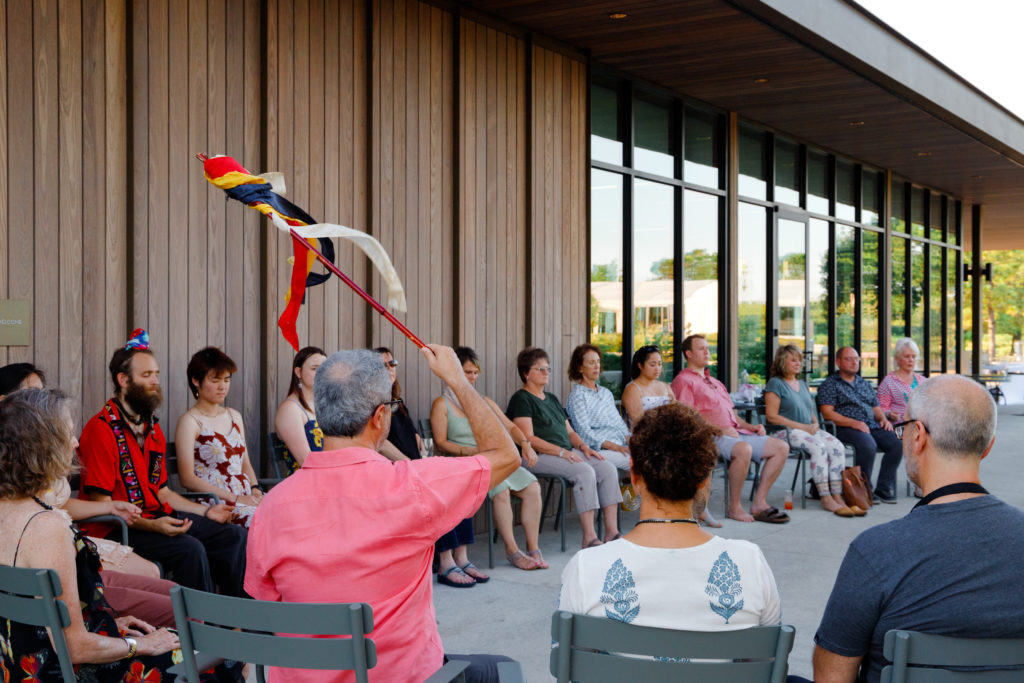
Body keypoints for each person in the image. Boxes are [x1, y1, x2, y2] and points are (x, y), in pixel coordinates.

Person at [246, 345, 521, 683]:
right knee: (503, 669)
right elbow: (506, 455)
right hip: (400, 676)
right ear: (379, 418)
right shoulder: (413, 486)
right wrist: (457, 380)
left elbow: (269, 606)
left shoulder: (271, 507)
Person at [0, 388, 240, 682]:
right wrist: (141, 645)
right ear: (42, 445)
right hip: (64, 670)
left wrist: (111, 622)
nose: (76, 444)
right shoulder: (46, 525)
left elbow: (51, 625)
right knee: (217, 655)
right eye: (69, 434)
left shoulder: (8, 510)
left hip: (21, 663)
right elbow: (73, 646)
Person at [813, 375, 1024, 683]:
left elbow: (832, 677)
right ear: (987, 446)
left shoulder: (876, 551)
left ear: (917, 436)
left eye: (904, 429)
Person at [559, 402, 781, 630]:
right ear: (703, 480)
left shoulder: (586, 568)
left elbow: (565, 659)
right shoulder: (749, 563)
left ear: (634, 475)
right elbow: (770, 656)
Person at [1, 362, 177, 627]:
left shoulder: (34, 472)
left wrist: (110, 508)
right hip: (62, 564)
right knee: (182, 609)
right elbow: (73, 636)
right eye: (32, 395)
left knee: (169, 587)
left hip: (71, 558)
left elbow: (59, 505)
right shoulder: (42, 521)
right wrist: (132, 644)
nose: (76, 442)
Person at [77, 330, 248, 596]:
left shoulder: (152, 428)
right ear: (123, 380)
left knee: (233, 536)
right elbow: (103, 506)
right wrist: (153, 526)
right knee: (189, 549)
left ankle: (233, 621)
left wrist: (206, 512)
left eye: (156, 374)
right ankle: (196, 628)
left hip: (157, 516)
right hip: (117, 529)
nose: (155, 381)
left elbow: (163, 492)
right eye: (146, 375)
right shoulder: (101, 430)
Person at [430, 346, 546, 574]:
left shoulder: (483, 401)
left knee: (532, 486)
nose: (472, 377)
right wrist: (470, 452)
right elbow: (441, 442)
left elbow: (510, 426)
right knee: (501, 489)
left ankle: (533, 549)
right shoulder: (441, 404)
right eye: (466, 372)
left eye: (475, 372)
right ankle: (513, 552)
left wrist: (525, 444)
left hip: (495, 459)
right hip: (468, 464)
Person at [508, 347, 623, 548]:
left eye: (548, 369)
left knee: (606, 467)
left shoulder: (551, 399)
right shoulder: (522, 399)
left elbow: (569, 432)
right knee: (584, 471)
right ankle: (589, 536)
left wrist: (583, 446)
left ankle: (611, 531)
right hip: (537, 456)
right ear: (526, 373)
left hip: (565, 453)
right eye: (539, 369)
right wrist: (561, 452)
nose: (546, 373)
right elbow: (528, 438)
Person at [671, 334, 790, 524]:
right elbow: (687, 416)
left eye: (708, 348)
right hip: (710, 436)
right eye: (701, 348)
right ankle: (735, 507)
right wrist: (717, 429)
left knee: (781, 448)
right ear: (689, 354)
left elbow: (731, 414)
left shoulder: (715, 382)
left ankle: (759, 502)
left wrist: (751, 426)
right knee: (744, 450)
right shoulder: (683, 380)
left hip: (736, 432)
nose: (707, 352)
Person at [764, 345, 861, 517]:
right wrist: (803, 427)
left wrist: (815, 423)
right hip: (783, 432)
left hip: (807, 430)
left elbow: (809, 410)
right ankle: (825, 496)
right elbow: (772, 417)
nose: (798, 363)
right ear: (781, 362)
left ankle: (837, 494)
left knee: (837, 446)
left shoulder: (802, 384)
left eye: (799, 360)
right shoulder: (775, 384)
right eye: (793, 360)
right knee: (818, 447)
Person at [174, 346, 263, 528]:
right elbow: (187, 478)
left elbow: (245, 462)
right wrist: (235, 498)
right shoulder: (190, 422)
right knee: (264, 519)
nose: (223, 386)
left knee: (288, 511)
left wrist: (255, 490)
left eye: (227, 379)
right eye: (215, 380)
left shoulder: (234, 416)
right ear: (196, 380)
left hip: (246, 497)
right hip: (216, 502)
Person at [816, 347, 901, 503]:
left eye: (856, 359)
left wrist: (883, 419)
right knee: (868, 445)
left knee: (896, 443)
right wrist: (854, 423)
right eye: (849, 359)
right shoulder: (830, 384)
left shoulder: (864, 383)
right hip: (843, 427)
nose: (854, 362)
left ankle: (883, 488)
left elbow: (875, 407)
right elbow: (828, 414)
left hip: (870, 425)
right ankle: (863, 490)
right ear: (838, 362)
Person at [565, 343, 631, 471]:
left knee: (652, 456)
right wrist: (616, 447)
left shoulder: (606, 392)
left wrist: (630, 440)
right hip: (599, 450)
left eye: (598, 362)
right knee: (639, 463)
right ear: (580, 368)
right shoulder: (578, 396)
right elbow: (584, 433)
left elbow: (618, 423)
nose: (597, 366)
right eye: (591, 363)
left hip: (620, 446)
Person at [273, 346, 327, 473]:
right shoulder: (290, 409)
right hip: (306, 484)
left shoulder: (324, 405)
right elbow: (305, 460)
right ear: (298, 372)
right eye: (315, 369)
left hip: (329, 478)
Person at [374, 346, 428, 462]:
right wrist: (408, 463)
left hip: (415, 465)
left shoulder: (397, 401)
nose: (389, 368)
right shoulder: (373, 402)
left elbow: (412, 433)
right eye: (383, 365)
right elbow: (380, 442)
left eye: (392, 363)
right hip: (395, 469)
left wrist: (422, 455)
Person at [620, 345, 675, 428]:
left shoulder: (665, 386)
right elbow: (638, 422)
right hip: (645, 435)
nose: (657, 368)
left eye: (660, 364)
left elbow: (677, 412)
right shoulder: (632, 389)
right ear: (640, 366)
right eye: (652, 365)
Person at [877, 338, 926, 423]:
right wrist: (889, 414)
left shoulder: (923, 381)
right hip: (899, 429)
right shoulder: (888, 382)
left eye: (914, 356)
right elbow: (881, 409)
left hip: (922, 427)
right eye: (907, 356)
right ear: (897, 358)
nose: (911, 360)